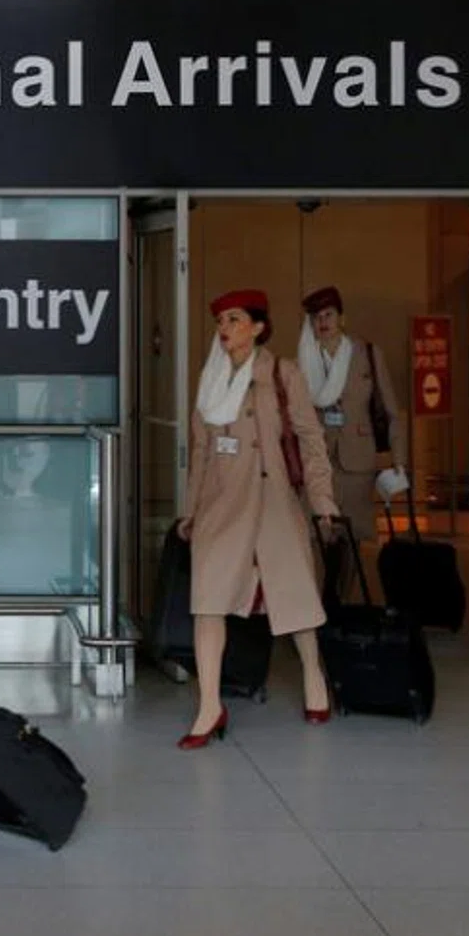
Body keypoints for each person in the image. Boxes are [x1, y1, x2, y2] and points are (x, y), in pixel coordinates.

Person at [176, 289, 340, 749]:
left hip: (273, 503)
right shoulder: (210, 380)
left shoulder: (282, 374)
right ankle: (209, 706)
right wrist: (190, 512)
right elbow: (201, 455)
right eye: (220, 321)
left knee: (295, 596)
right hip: (221, 505)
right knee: (207, 601)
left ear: (258, 326)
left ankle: (313, 675)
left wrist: (324, 504)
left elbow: (310, 442)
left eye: (233, 319)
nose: (224, 329)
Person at [298, 286, 403, 545]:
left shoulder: (367, 354)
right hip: (316, 462)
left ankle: (344, 587)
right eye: (317, 317)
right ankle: (321, 588)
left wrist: (399, 461)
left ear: (341, 319)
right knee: (315, 536)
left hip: (357, 462)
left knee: (352, 540)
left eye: (329, 315)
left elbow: (391, 410)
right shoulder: (302, 360)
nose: (323, 322)